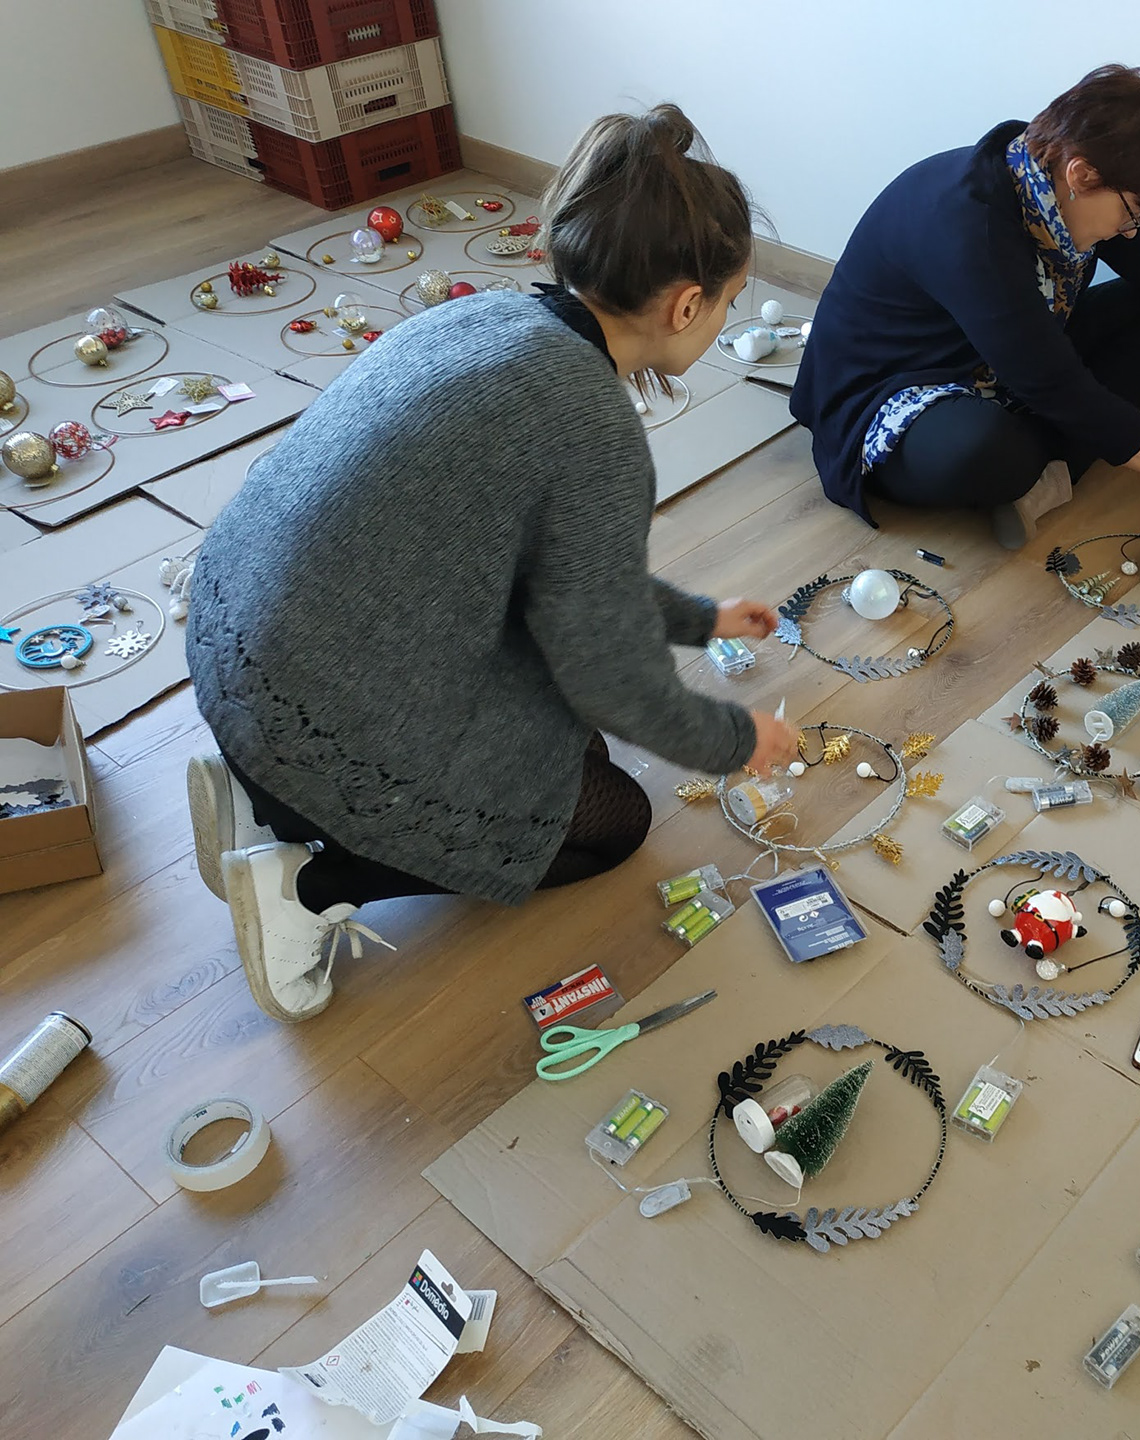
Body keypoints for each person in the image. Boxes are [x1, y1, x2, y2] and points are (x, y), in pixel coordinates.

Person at [184, 107, 801, 1023]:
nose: (720, 319)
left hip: (233, 649)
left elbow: (564, 578)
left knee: (566, 752)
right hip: (314, 702)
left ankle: (256, 792)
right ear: (685, 305)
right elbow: (608, 678)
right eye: (728, 301)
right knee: (614, 821)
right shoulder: (592, 427)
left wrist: (697, 619)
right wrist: (735, 741)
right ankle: (304, 888)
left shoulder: (485, 317)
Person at [790, 64, 1140, 550]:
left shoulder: (1057, 174)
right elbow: (1059, 389)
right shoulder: (972, 225)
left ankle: (1047, 471)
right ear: (1082, 175)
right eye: (1131, 213)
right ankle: (1041, 469)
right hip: (891, 391)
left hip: (999, 365)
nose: (1131, 230)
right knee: (987, 450)